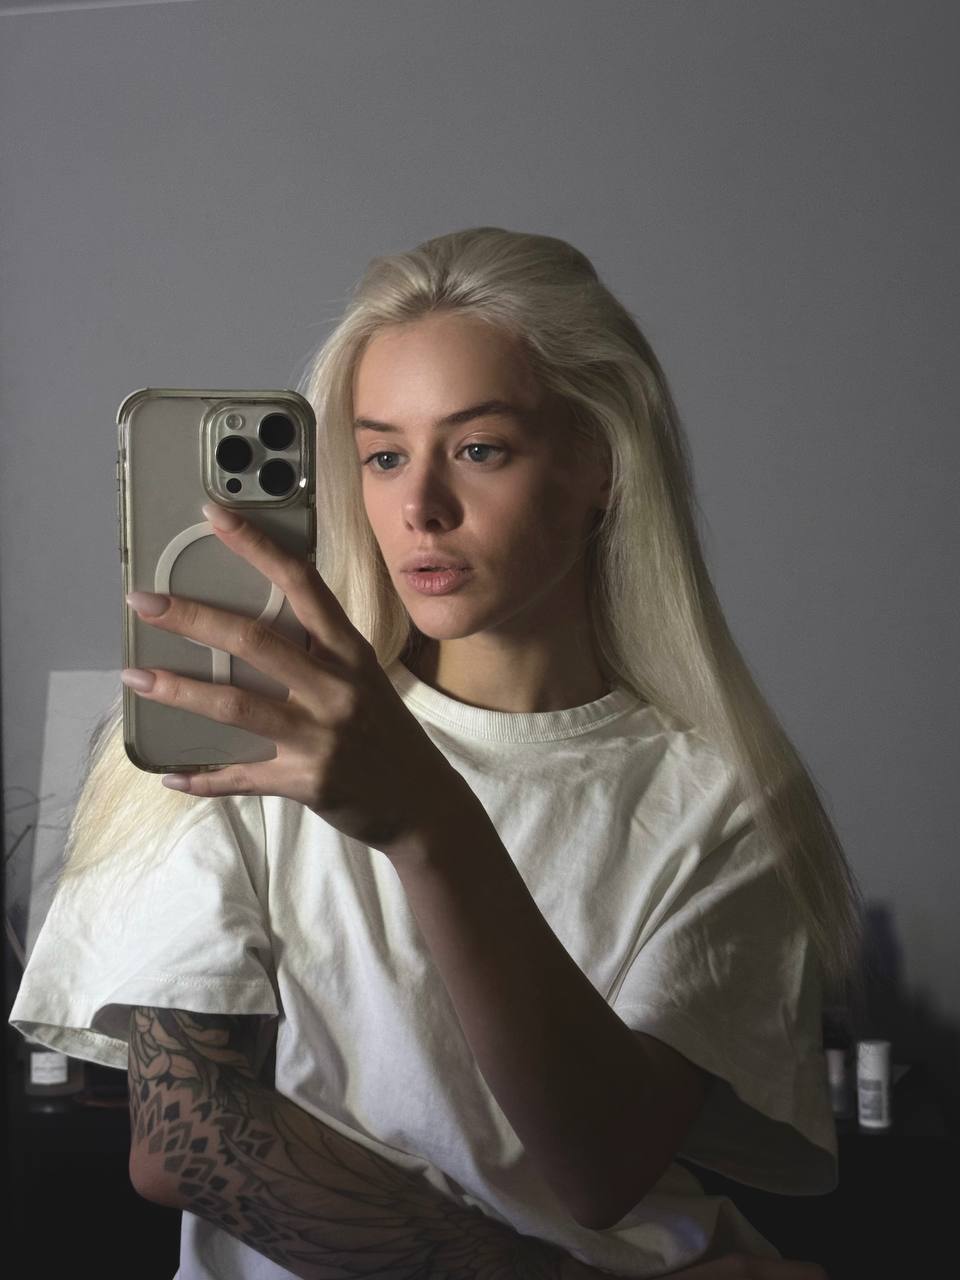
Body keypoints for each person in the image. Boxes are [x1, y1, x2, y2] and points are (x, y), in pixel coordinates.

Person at [10, 226, 860, 1279]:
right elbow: (186, 1140)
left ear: (598, 461)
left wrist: (429, 824)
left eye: (479, 448)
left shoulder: (723, 799)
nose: (419, 508)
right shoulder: (240, 729)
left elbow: (601, 1168)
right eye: (382, 456)